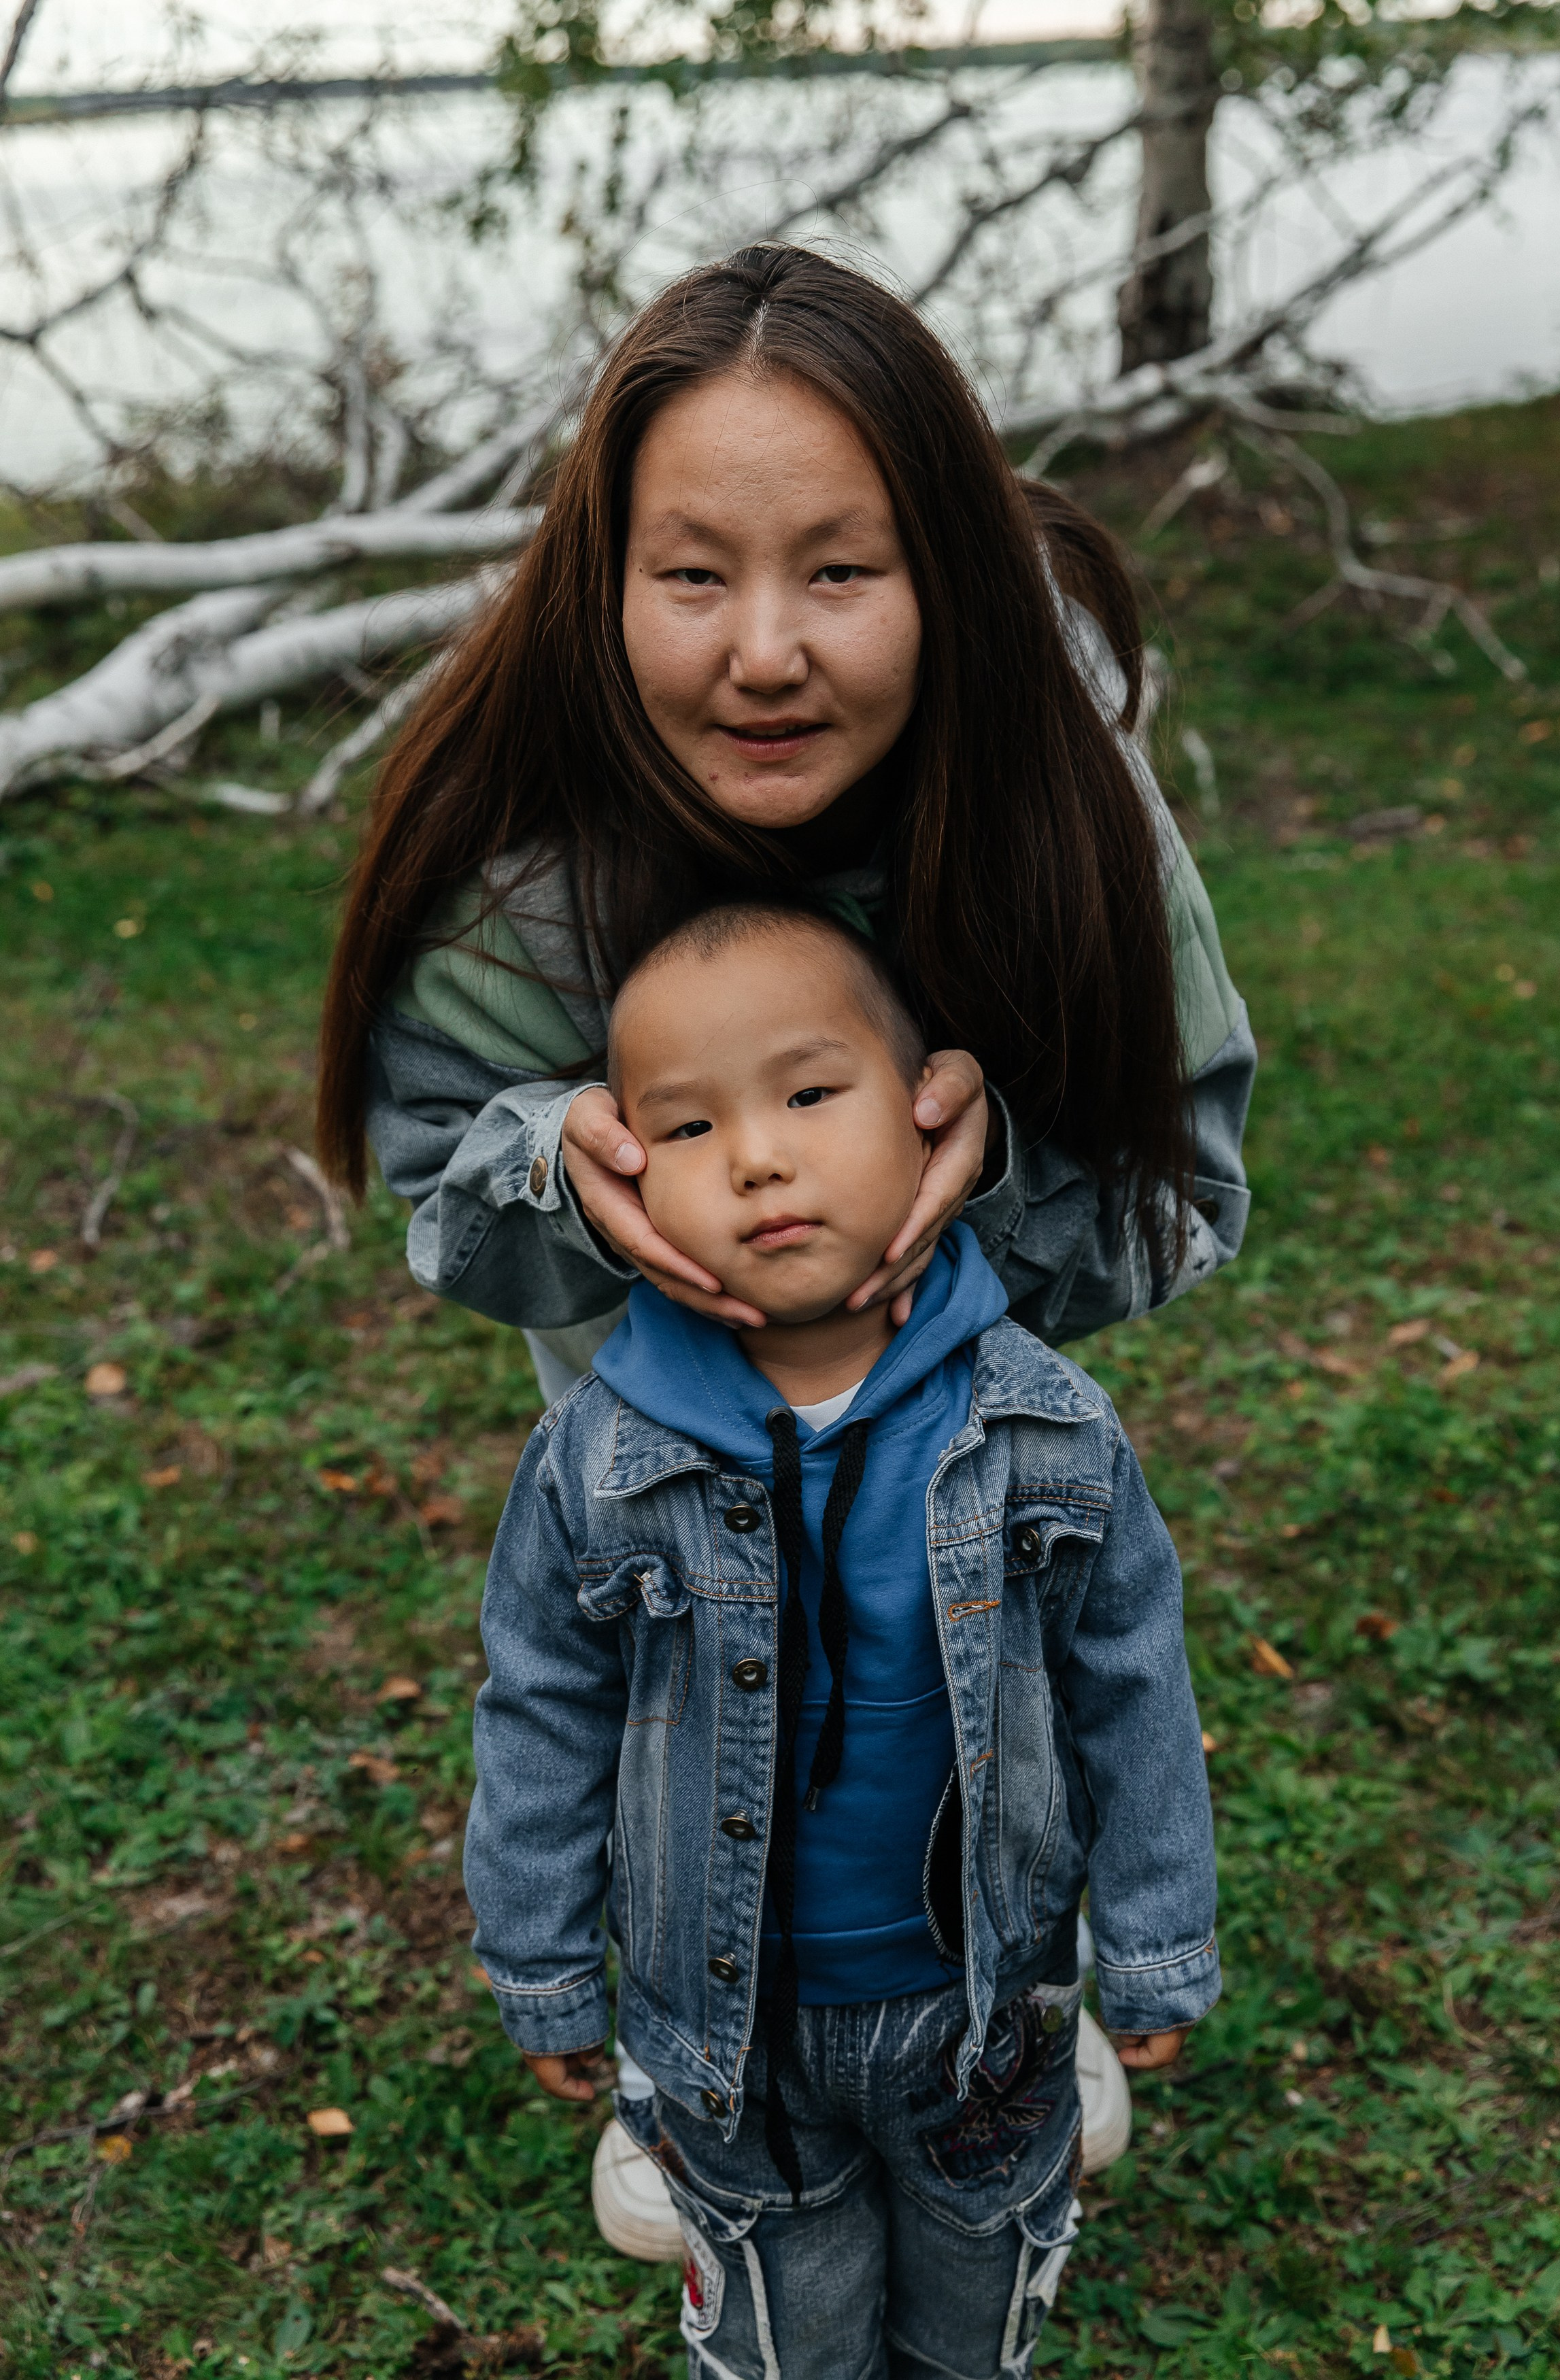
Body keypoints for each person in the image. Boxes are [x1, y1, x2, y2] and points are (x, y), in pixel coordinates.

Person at [316, 241, 1254, 2254]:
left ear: (945, 580)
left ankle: (1002, 2022)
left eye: (839, 570)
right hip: (671, 1528)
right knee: (696, 1766)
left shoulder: (1051, 810)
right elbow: (428, 1198)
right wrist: (546, 1172)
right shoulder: (522, 879)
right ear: (601, 582)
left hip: (969, 1498)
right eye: (690, 574)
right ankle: (696, 2064)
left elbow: (1190, 1189)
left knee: (978, 1724)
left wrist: (996, 1160)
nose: (763, 650)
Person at [464, 902, 1220, 2380]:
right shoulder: (598, 1457)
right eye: (685, 1129)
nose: (756, 1156)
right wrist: (542, 1958)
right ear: (620, 1171)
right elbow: (541, 1710)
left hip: (985, 2015)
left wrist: (1155, 1939)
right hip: (730, 2040)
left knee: (971, 2309)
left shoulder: (1045, 1429)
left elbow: (1131, 1691)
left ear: (935, 1109)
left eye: (812, 1094)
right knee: (783, 2332)